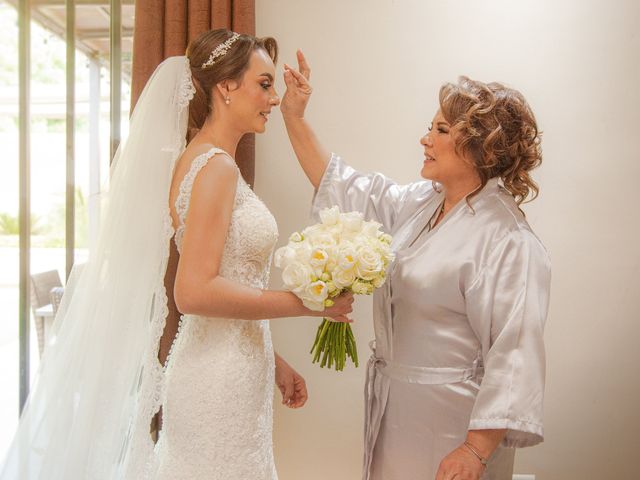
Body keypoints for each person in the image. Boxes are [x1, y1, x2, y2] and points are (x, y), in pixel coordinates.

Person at [0, 31, 353, 480]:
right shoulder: (216, 168)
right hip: (216, 381)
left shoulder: (207, 160)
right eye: (264, 84)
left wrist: (274, 360)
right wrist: (305, 305)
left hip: (230, 369)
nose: (274, 96)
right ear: (226, 87)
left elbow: (225, 280)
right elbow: (194, 292)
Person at [281, 51, 551, 480]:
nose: (426, 139)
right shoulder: (423, 204)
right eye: (431, 127)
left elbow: (514, 353)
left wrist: (475, 452)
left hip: (455, 424)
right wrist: (294, 118)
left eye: (441, 129)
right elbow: (347, 188)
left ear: (480, 146)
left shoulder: (508, 240)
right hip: (395, 410)